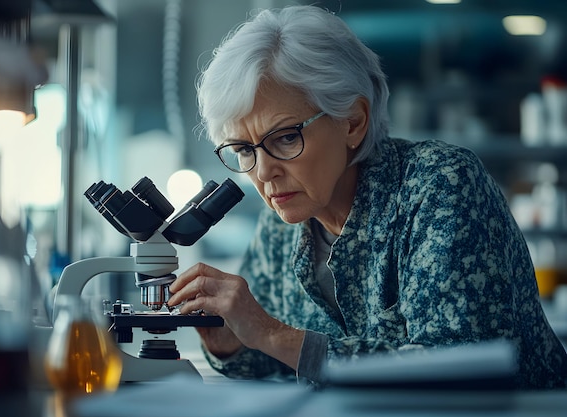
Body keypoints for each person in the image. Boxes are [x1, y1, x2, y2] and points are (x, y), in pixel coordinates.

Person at [167, 5, 567, 389]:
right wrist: (230, 341)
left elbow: (461, 367)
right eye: (243, 150)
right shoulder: (281, 226)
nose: (263, 171)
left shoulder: (440, 185)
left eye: (286, 137)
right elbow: (271, 356)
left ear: (353, 123)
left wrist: (272, 333)